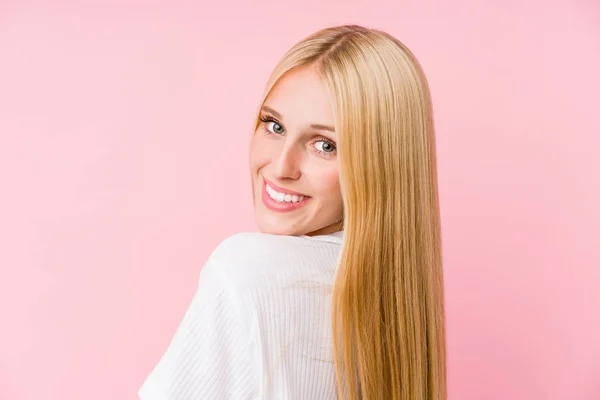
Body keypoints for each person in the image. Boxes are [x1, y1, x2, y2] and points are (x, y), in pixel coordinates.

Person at [138, 24, 447, 400]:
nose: (282, 166)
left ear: (381, 164)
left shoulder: (246, 271)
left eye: (324, 145)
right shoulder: (398, 305)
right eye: (274, 125)